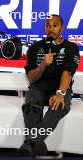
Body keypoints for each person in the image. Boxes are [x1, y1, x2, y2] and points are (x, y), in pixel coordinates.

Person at [19, 14, 80, 157]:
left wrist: (60, 93)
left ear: (62, 28)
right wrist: (42, 65)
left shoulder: (71, 47)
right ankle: (38, 145)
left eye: (55, 25)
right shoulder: (35, 47)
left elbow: (68, 72)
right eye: (48, 25)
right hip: (38, 87)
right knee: (30, 106)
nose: (50, 29)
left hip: (59, 88)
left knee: (58, 105)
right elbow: (30, 78)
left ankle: (30, 142)